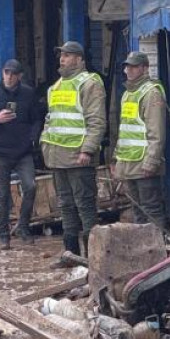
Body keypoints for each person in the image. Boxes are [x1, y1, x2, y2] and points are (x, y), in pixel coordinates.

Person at [40, 41, 106, 256]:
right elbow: (50, 120)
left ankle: (93, 258)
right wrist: (45, 144)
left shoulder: (89, 83)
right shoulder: (56, 86)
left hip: (79, 157)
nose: (62, 58)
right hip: (57, 156)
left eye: (68, 55)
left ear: (79, 59)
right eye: (61, 54)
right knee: (65, 205)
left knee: (85, 206)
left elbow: (96, 121)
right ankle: (71, 255)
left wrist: (87, 150)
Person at [0, 60, 45, 250]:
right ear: (2, 73)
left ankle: (23, 227)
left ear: (19, 76)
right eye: (6, 72)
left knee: (30, 187)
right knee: (2, 194)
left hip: (23, 151)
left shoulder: (28, 94)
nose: (9, 77)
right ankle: (3, 235)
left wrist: (33, 137)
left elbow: (37, 118)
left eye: (13, 73)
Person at [113, 51, 168, 230]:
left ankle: (158, 251)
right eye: (127, 66)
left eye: (134, 67)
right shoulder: (128, 94)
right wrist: (117, 160)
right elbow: (125, 131)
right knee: (138, 212)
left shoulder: (151, 93)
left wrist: (151, 162)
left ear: (145, 68)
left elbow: (156, 132)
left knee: (151, 211)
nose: (129, 70)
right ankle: (144, 253)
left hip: (144, 165)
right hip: (130, 163)